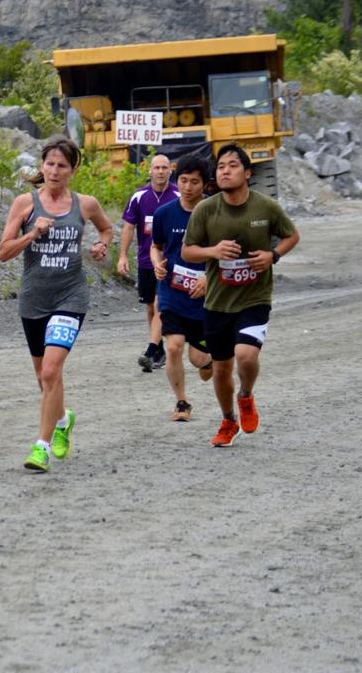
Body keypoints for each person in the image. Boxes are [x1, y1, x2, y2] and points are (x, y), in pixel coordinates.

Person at [0, 138, 113, 472]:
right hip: (34, 298)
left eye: (62, 165)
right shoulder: (25, 203)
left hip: (70, 296)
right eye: (49, 164)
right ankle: (62, 420)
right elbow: (3, 253)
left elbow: (107, 230)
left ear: (73, 169)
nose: (54, 170)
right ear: (42, 166)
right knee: (44, 377)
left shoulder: (85, 204)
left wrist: (101, 246)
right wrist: (31, 234)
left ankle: (41, 447)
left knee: (51, 370)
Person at [182, 144, 300, 448]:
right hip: (218, 302)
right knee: (221, 368)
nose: (225, 170)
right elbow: (188, 251)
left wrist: (272, 255)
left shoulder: (266, 207)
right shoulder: (205, 210)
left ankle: (246, 396)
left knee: (246, 356)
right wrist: (213, 251)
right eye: (221, 166)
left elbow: (292, 235)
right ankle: (228, 419)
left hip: (255, 297)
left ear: (247, 173)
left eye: (232, 165)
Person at [148, 155, 215, 422]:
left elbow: (229, 253)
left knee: (199, 360)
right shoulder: (164, 213)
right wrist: (156, 264)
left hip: (205, 298)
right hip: (173, 292)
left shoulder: (215, 213)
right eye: (184, 181)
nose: (188, 187)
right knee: (174, 347)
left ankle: (208, 361)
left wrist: (209, 278)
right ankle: (182, 403)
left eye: (194, 182)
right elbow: (156, 246)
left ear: (205, 185)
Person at [117, 154, 179, 372]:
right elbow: (128, 227)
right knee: (150, 305)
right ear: (150, 171)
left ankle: (152, 349)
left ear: (170, 170)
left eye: (164, 167)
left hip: (169, 262)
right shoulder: (139, 196)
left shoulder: (178, 195)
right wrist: (123, 255)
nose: (160, 171)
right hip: (145, 260)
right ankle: (159, 348)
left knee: (160, 302)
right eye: (157, 168)